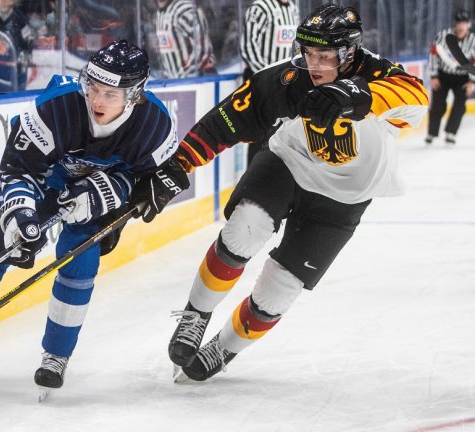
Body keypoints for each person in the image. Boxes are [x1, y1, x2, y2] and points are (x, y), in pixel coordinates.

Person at [131, 5, 428, 382]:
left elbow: (415, 97)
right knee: (244, 230)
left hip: (344, 199)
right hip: (288, 165)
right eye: (309, 54)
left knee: (278, 291)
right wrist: (177, 167)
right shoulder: (291, 79)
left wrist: (354, 96)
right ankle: (196, 314)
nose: (315, 64)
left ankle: (224, 347)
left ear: (350, 52)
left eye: (325, 56)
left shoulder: (379, 76)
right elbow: (228, 120)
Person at [0, 40, 179, 395]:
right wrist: (20, 214)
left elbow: (147, 181)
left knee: (80, 258)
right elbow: (17, 168)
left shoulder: (154, 126)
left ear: (134, 95)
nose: (96, 100)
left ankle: (56, 356)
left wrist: (106, 194)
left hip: (99, 192)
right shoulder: (57, 107)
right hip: (46, 180)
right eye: (92, 87)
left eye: (109, 94)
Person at [239, 0, 299, 166]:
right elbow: (248, 47)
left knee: (283, 133)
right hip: (262, 81)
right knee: (260, 132)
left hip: (286, 82)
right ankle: (253, 183)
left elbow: (296, 44)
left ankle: (276, 179)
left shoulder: (293, 8)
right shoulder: (260, 7)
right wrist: (269, 76)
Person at [425, 10, 475, 146]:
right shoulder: (443, 36)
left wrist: (472, 82)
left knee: (460, 105)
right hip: (443, 76)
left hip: (463, 78)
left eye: (464, 23)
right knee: (437, 104)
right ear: (455, 24)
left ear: (469, 25)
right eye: (459, 23)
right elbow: (433, 54)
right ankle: (432, 132)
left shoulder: (473, 41)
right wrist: (434, 76)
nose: (461, 26)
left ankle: (450, 133)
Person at [154, 0, 216, 79]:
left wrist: (188, 80)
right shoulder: (160, 13)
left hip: (195, 82)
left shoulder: (185, 9)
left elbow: (203, 51)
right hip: (173, 83)